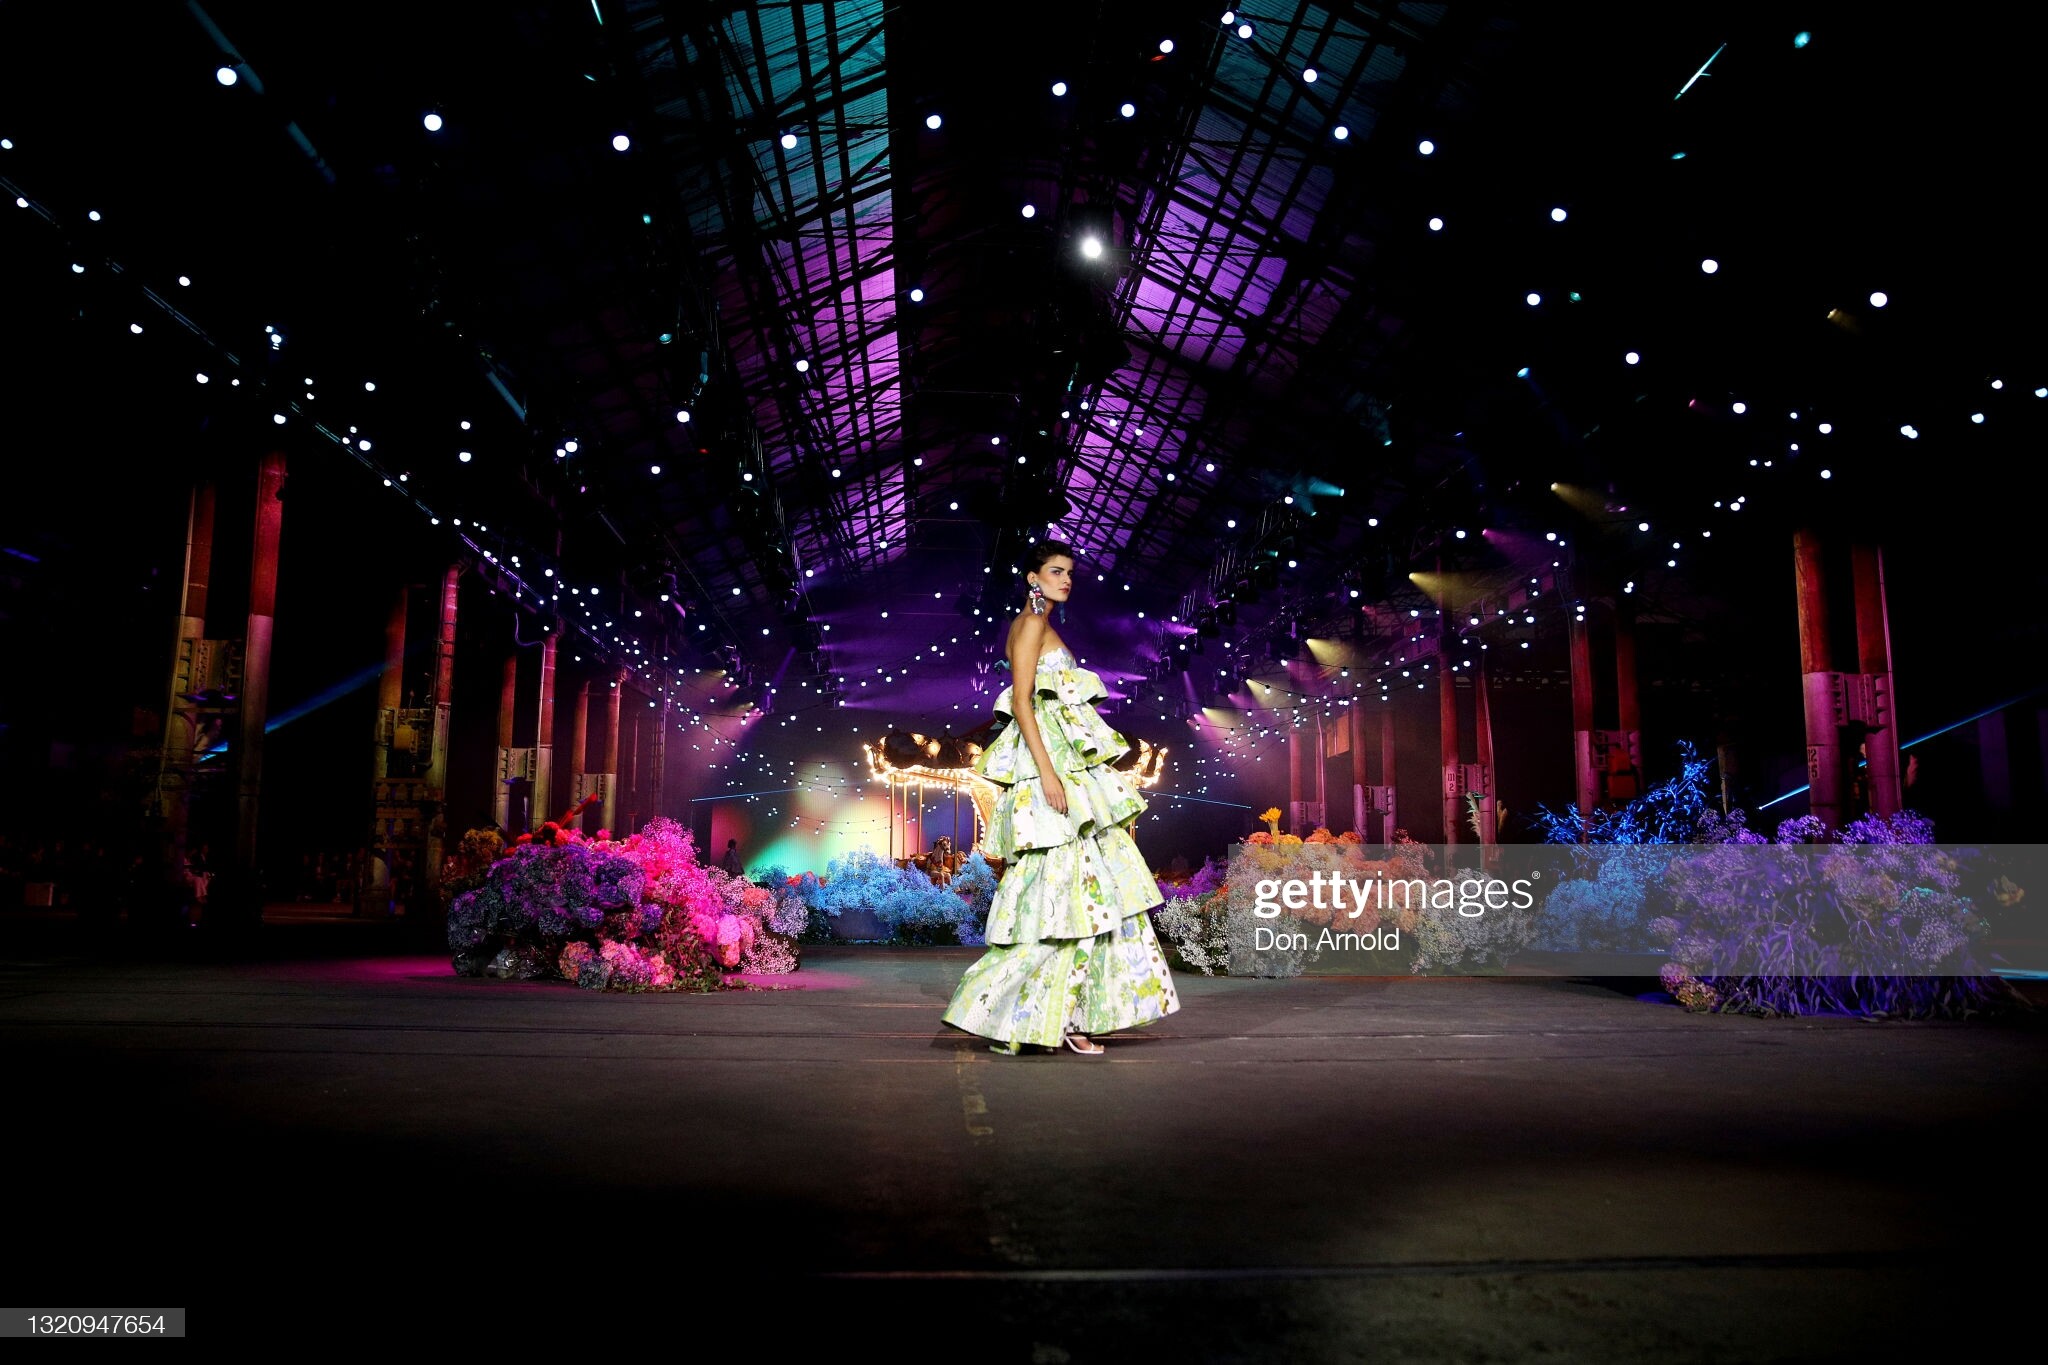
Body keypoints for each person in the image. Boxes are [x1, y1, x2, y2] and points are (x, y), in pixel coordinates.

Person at [940, 540, 1180, 1056]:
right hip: (1053, 772)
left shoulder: (1039, 624)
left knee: (1081, 895)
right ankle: (1049, 1017)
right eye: (1055, 571)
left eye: (1069, 572)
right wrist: (1049, 776)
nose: (1066, 579)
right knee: (1070, 898)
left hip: (1067, 769)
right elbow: (1021, 703)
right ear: (1033, 577)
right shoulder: (1030, 624)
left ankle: (1063, 1014)